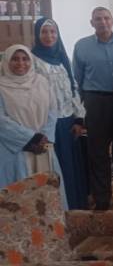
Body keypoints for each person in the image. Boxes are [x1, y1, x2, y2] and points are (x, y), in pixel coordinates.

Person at [73, 7, 113, 210]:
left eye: (106, 18)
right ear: (92, 23)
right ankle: (101, 198)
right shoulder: (81, 46)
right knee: (98, 152)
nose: (103, 22)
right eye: (98, 19)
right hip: (96, 102)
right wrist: (80, 111)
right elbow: (77, 80)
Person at [0, 45, 67, 209]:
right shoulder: (1, 86)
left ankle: (52, 225)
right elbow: (2, 120)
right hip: (16, 149)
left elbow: (52, 110)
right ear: (6, 61)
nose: (20, 63)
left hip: (43, 146)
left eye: (25, 59)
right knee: (19, 198)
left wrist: (44, 137)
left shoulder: (42, 82)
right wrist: (29, 138)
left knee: (48, 195)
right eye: (15, 59)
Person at [32, 18, 89, 209]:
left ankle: (75, 205)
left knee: (70, 164)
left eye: (53, 32)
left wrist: (78, 119)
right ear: (37, 35)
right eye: (44, 32)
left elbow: (74, 88)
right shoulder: (32, 59)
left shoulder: (63, 58)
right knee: (52, 166)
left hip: (67, 122)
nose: (49, 36)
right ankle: (57, 208)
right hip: (46, 124)